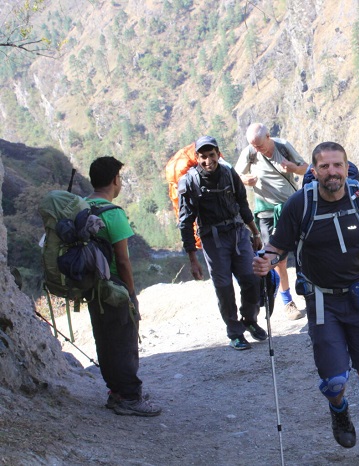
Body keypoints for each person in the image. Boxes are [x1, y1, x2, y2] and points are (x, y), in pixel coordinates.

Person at [252, 141, 359, 465]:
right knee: (334, 381)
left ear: (346, 168)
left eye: (338, 166)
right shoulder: (300, 204)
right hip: (322, 301)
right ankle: (338, 408)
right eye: (324, 166)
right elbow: (277, 247)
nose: (332, 172)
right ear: (314, 170)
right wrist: (265, 260)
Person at [86, 156, 161, 416]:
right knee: (125, 342)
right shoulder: (112, 213)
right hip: (115, 286)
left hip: (92, 286)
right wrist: (131, 293)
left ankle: (116, 392)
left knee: (105, 339)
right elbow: (122, 260)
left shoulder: (81, 206)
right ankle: (130, 398)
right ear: (115, 180)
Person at [178, 135, 267, 350]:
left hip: (238, 234)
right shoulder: (189, 182)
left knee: (252, 279)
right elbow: (185, 222)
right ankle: (235, 332)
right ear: (197, 157)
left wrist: (255, 233)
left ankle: (250, 320)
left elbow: (242, 204)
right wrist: (193, 259)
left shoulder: (229, 173)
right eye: (203, 157)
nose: (208, 161)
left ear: (218, 154)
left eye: (211, 155)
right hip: (213, 240)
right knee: (224, 287)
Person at [236, 123, 309, 321]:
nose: (257, 149)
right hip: (266, 211)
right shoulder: (250, 152)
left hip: (292, 208)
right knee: (276, 258)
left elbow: (306, 169)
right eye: (254, 146)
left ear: (268, 136)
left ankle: (310, 294)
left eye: (260, 145)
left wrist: (293, 168)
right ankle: (287, 302)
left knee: (304, 251)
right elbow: (235, 177)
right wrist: (245, 180)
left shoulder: (283, 146)